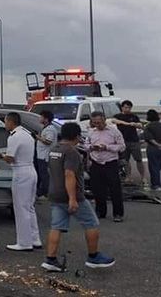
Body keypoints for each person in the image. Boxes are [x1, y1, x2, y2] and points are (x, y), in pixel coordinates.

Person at [41, 122, 115, 272]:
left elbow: (51, 170)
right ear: (76, 136)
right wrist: (73, 198)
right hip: (71, 195)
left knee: (56, 226)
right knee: (91, 223)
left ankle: (50, 259)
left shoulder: (54, 149)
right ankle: (93, 257)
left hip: (55, 193)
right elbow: (69, 174)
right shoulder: (71, 152)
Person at [2, 112, 41, 251]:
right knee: (30, 207)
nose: (5, 124)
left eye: (6, 121)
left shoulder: (14, 137)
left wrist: (1, 156)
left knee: (20, 208)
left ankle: (24, 242)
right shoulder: (26, 134)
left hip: (21, 171)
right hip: (31, 170)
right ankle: (34, 238)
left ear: (11, 122)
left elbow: (10, 158)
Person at [88, 111, 126, 222]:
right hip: (96, 162)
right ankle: (100, 211)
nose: (97, 125)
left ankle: (118, 213)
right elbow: (86, 144)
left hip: (110, 162)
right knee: (97, 189)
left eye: (99, 122)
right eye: (94, 123)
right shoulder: (91, 132)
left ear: (104, 120)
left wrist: (107, 147)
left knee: (115, 189)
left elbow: (122, 146)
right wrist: (91, 147)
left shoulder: (114, 131)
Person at [112, 100, 145, 186]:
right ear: (122, 107)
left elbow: (140, 125)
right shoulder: (117, 116)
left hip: (134, 141)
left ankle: (143, 177)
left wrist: (135, 124)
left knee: (139, 159)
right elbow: (114, 121)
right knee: (125, 160)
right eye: (125, 107)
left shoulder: (134, 116)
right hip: (123, 141)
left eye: (129, 107)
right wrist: (127, 124)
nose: (127, 109)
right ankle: (128, 176)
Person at [143, 109, 161, 192]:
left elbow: (150, 138)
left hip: (154, 149)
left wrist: (157, 144)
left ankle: (156, 185)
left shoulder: (149, 126)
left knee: (154, 167)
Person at [35, 111, 59, 199]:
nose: (40, 119)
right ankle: (42, 192)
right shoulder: (45, 128)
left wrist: (37, 137)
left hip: (45, 156)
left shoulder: (50, 129)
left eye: (41, 117)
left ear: (46, 119)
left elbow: (48, 141)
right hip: (40, 155)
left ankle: (46, 193)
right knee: (42, 174)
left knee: (45, 175)